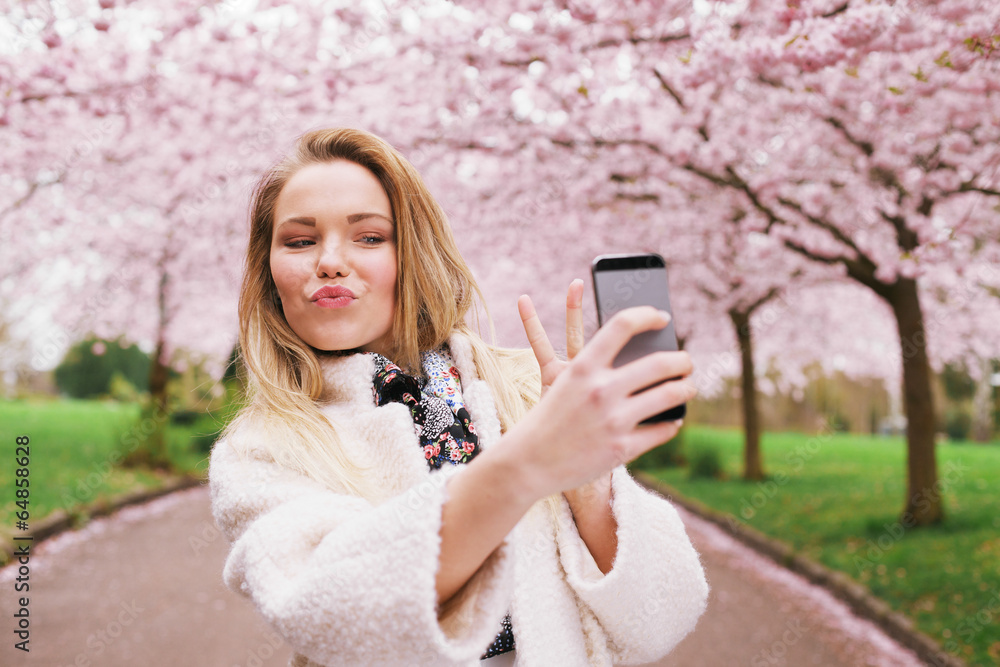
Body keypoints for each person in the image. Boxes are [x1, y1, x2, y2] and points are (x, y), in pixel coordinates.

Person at [209, 127, 708, 667]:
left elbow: (663, 618)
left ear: (414, 253)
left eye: (371, 237)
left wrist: (589, 483)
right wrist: (527, 466)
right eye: (300, 241)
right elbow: (339, 612)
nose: (329, 261)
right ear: (269, 271)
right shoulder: (259, 449)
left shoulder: (525, 392)